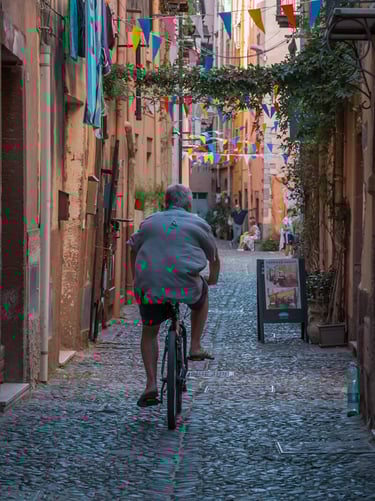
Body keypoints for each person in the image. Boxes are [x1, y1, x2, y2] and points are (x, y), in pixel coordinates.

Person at [127, 184, 220, 407]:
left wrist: (136, 277)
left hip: (150, 284)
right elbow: (214, 258)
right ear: (189, 204)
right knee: (202, 293)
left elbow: (133, 248)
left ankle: (151, 384)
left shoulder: (149, 222)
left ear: (165, 203)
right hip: (186, 283)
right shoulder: (199, 223)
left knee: (150, 331)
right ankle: (195, 346)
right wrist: (213, 279)